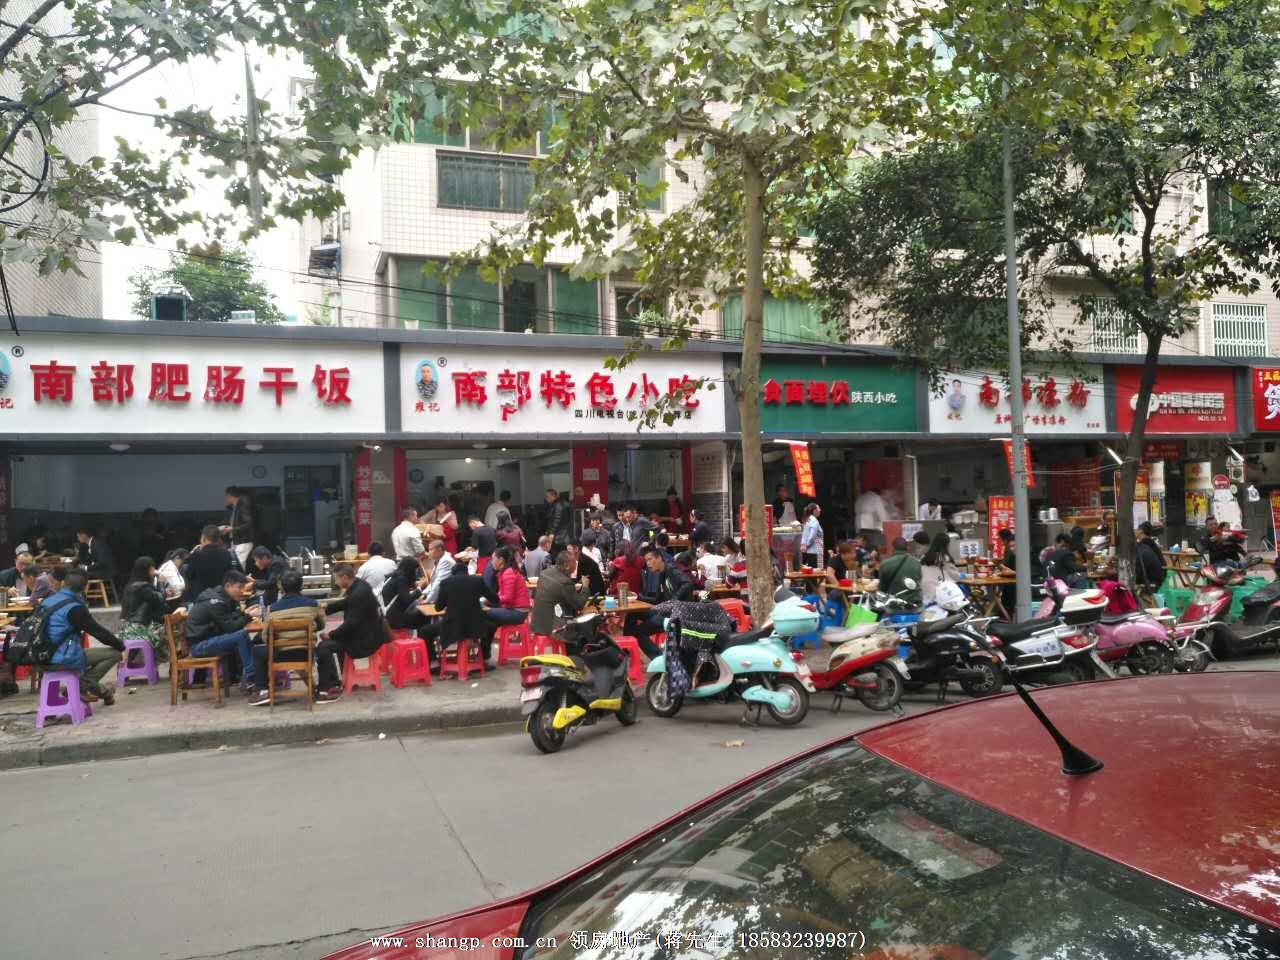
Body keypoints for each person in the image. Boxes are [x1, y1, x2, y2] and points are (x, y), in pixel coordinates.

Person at [43, 569, 124, 705]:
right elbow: (99, 633)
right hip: (61, 657)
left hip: (40, 658)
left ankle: (105, 692)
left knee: (81, 659)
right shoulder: (74, 607)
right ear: (85, 587)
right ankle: (78, 688)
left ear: (63, 584)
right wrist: (122, 646)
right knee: (114, 654)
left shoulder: (47, 601)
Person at [247, 570, 328, 706]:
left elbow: (266, 637)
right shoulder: (313, 604)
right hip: (306, 653)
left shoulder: (272, 609)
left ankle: (263, 691)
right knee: (324, 649)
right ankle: (323, 690)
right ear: (301, 586)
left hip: (280, 655)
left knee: (257, 651)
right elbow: (321, 625)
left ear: (281, 587)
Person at [314, 564, 385, 702]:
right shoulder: (359, 585)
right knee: (334, 640)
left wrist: (331, 634)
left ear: (345, 577)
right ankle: (340, 679)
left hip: (365, 641)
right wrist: (327, 608)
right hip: (366, 633)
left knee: (323, 647)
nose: (336, 582)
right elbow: (346, 603)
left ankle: (330, 686)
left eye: (336, 579)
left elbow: (351, 624)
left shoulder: (358, 594)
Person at [184, 570, 257, 693]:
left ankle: (249, 677)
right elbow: (231, 627)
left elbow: (228, 618)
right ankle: (252, 679)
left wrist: (244, 613)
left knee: (246, 637)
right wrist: (248, 616)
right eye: (239, 587)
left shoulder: (220, 597)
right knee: (241, 636)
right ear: (228, 586)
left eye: (243, 588)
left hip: (206, 640)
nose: (242, 591)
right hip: (199, 646)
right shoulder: (215, 602)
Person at [631, 548, 694, 656]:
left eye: (650, 559)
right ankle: (628, 652)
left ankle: (659, 657)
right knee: (633, 614)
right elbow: (657, 600)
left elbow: (687, 583)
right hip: (666, 611)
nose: (648, 563)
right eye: (646, 561)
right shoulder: (661, 574)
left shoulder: (671, 568)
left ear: (659, 558)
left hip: (679, 614)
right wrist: (638, 597)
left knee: (638, 631)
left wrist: (673, 601)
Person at [435, 563, 501, 664]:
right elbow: (495, 599)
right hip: (475, 626)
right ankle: (484, 656)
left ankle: (433, 661)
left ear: (453, 573)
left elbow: (438, 607)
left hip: (453, 626)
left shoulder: (446, 583)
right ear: (467, 572)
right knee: (491, 626)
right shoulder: (477, 580)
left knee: (425, 631)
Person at [121, 556, 168, 663]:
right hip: (139, 630)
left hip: (128, 629)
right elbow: (160, 599)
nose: (154, 571)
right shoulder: (143, 588)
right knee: (170, 631)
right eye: (152, 569)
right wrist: (161, 582)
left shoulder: (130, 585)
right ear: (146, 570)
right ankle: (162, 661)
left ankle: (151, 662)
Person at [530, 552, 589, 638]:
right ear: (566, 565)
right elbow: (579, 605)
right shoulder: (565, 583)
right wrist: (585, 587)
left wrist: (572, 589)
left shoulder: (544, 573)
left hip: (537, 623)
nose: (576, 565)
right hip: (553, 628)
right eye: (574, 562)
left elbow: (555, 594)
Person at [181, 525, 234, 602]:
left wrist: (192, 553)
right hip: (222, 598)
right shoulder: (227, 554)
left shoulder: (196, 556)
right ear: (218, 539)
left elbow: (188, 575)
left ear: (203, 538)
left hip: (201, 599)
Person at [486, 546, 531, 632]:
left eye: (493, 559)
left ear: (501, 560)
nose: (491, 562)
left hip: (518, 612)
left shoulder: (508, 573)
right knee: (488, 617)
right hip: (514, 609)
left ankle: (484, 640)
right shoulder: (504, 572)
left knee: (484, 612)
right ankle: (487, 640)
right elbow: (501, 594)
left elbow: (508, 598)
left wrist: (490, 600)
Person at [876, 537, 923, 606]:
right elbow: (918, 580)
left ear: (893, 548)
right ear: (907, 548)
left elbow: (882, 589)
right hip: (915, 604)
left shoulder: (885, 564)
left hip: (894, 605)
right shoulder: (917, 563)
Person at [920, 534, 961, 604]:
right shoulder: (945, 558)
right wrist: (963, 575)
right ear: (946, 545)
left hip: (925, 590)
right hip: (939, 592)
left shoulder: (924, 557)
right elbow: (955, 576)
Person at [221, 486, 256, 569]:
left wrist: (232, 529)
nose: (225, 499)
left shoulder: (243, 505)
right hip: (237, 541)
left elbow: (249, 524)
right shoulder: (234, 507)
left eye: (226, 497)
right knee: (236, 565)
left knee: (238, 566)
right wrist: (228, 529)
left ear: (230, 496)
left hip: (243, 541)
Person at [421, 539, 456, 605]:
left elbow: (438, 583)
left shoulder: (446, 561)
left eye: (430, 549)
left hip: (448, 599)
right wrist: (423, 594)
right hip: (441, 596)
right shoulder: (439, 560)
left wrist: (427, 600)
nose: (428, 552)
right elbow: (433, 583)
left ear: (439, 549)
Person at [1135, 522, 1167, 594]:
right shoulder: (1150, 542)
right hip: (1160, 574)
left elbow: (1140, 567)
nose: (1135, 531)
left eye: (1137, 529)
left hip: (1154, 579)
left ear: (1141, 531)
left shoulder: (1144, 545)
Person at [800, 503, 824, 568]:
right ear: (814, 511)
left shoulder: (808, 520)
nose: (820, 510)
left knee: (810, 569)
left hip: (809, 551)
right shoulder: (814, 521)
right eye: (818, 508)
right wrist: (807, 545)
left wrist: (804, 545)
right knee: (816, 570)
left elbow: (804, 535)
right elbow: (812, 535)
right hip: (815, 551)